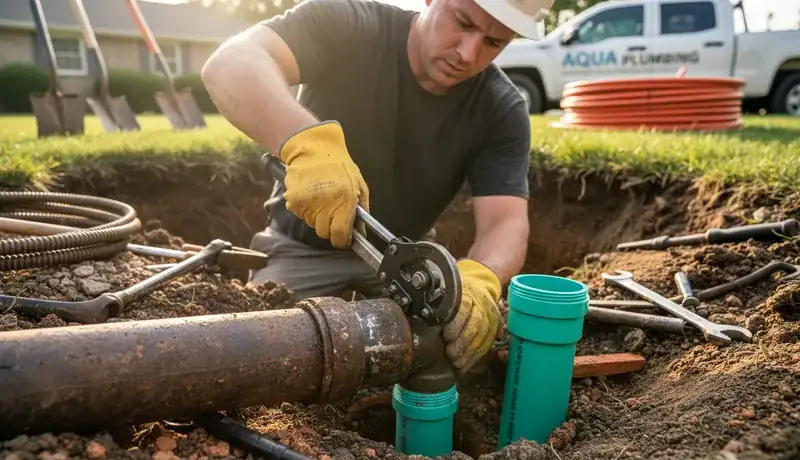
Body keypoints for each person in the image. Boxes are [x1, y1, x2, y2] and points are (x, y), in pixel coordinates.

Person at [201, 0, 553, 374]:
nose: (468, 54)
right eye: (463, 22)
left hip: (406, 263)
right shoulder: (349, 23)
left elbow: (506, 223)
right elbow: (230, 64)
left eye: (494, 43)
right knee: (261, 353)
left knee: (447, 356)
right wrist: (305, 142)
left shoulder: (501, 108)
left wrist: (482, 279)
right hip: (300, 248)